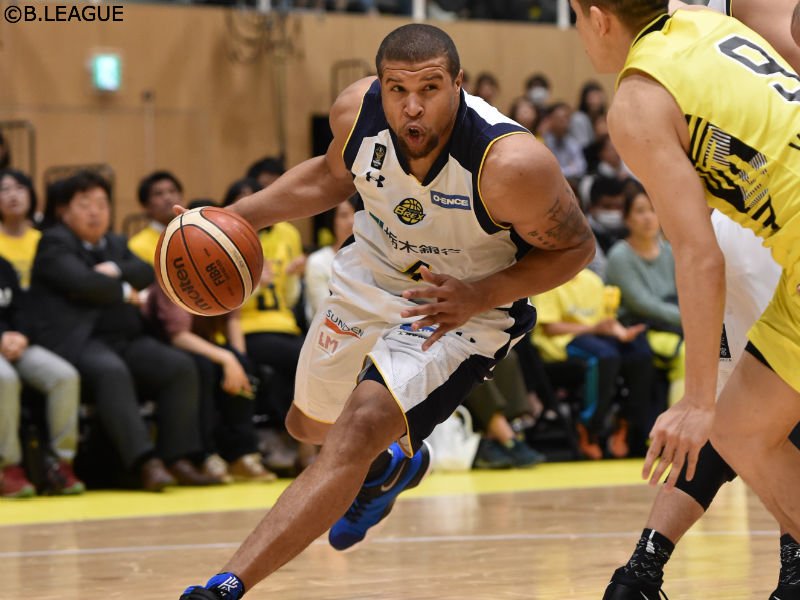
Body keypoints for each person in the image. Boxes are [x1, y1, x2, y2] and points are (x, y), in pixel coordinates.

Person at [179, 23, 594, 600]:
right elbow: (330, 177)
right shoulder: (357, 114)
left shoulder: (510, 163)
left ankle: (224, 586)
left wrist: (480, 296)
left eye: (430, 88)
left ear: (459, 84)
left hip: (461, 304)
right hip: (371, 272)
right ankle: (390, 468)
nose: (412, 107)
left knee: (358, 428)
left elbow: (576, 248)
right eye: (397, 89)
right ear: (379, 86)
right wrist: (234, 220)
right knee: (308, 427)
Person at [569, 0, 800, 574]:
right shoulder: (710, 25)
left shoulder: (637, 100)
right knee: (742, 431)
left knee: (732, 424)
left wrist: (697, 400)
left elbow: (699, 256)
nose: (578, 32)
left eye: (575, 17)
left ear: (599, 17)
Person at [29, 171, 219, 491]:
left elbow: (145, 271)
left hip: (125, 339)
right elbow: (81, 282)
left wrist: (115, 269)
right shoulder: (54, 242)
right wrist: (122, 290)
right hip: (79, 342)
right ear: (64, 211)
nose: (95, 211)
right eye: (85, 204)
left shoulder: (116, 243)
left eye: (102, 204)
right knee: (111, 371)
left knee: (179, 366)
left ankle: (178, 458)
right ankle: (145, 463)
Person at [531, 268, 653, 459]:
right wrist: (594, 329)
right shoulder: (548, 278)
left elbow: (605, 320)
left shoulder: (592, 280)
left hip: (595, 336)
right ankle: (588, 427)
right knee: (604, 357)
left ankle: (625, 423)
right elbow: (551, 328)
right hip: (560, 343)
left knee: (640, 353)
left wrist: (621, 332)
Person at [0, 255, 84, 497]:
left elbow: (22, 310)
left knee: (64, 377)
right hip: (3, 344)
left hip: (16, 344)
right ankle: (7, 468)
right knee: (5, 379)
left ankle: (58, 465)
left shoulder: (4, 265)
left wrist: (22, 336)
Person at [605, 184, 685, 409]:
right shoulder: (620, 256)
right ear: (626, 218)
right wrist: (689, 319)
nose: (649, 217)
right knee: (688, 353)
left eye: (653, 209)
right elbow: (643, 303)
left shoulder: (669, 250)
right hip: (638, 328)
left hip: (671, 324)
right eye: (640, 211)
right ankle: (676, 426)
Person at [128, 170, 185, 265]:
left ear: (182, 198)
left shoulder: (196, 235)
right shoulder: (136, 246)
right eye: (158, 193)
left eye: (172, 191)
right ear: (145, 206)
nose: (167, 197)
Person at [0, 169, 41, 289]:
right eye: (5, 189)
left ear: (31, 196)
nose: (13, 195)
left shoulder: (42, 240)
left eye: (20, 188)